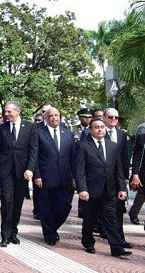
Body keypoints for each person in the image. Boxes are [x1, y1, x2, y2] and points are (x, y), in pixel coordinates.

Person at [74, 118, 131, 258]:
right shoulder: (83, 146)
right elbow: (79, 170)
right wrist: (82, 189)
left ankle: (117, 247)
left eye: (102, 127)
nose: (100, 129)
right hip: (90, 190)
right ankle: (88, 242)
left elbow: (118, 169)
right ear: (90, 130)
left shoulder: (113, 146)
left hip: (109, 190)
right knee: (89, 218)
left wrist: (122, 189)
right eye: (96, 127)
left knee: (111, 219)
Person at [0, 100, 38, 247]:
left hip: (22, 172)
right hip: (5, 171)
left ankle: (13, 232)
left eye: (8, 111)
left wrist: (30, 169)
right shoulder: (2, 128)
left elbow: (33, 150)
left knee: (17, 203)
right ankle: (4, 235)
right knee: (6, 201)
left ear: (17, 111)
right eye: (5, 112)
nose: (6, 114)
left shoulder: (30, 127)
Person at [33, 107, 75, 245]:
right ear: (46, 118)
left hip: (65, 178)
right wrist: (37, 175)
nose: (54, 118)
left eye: (57, 115)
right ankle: (49, 234)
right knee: (46, 208)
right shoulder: (38, 133)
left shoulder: (68, 134)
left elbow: (73, 158)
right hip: (45, 178)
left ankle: (52, 228)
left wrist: (74, 177)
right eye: (51, 115)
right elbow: (34, 156)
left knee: (64, 206)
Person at [102, 108, 132, 248]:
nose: (113, 119)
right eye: (110, 117)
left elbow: (125, 158)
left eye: (116, 117)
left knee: (119, 208)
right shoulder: (98, 132)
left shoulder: (122, 135)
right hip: (102, 177)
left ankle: (120, 239)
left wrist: (126, 177)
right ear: (104, 118)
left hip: (119, 178)